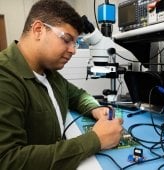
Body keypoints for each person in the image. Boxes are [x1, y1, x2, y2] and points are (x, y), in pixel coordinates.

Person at [0, 0, 123, 169]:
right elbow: (8, 161)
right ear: (38, 30)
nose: (73, 50)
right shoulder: (5, 78)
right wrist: (95, 140)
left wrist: (95, 108)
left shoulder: (49, 73)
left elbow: (77, 95)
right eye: (67, 39)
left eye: (75, 42)